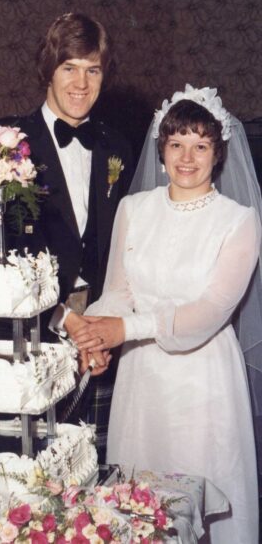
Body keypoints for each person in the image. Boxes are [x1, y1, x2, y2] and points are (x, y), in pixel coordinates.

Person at [70, 85, 262, 543]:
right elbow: (118, 290)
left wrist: (124, 329)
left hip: (204, 384)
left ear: (219, 153)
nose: (188, 157)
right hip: (142, 383)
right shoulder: (133, 209)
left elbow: (208, 313)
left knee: (201, 498)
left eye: (201, 145)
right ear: (161, 149)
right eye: (177, 143)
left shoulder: (239, 221)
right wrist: (95, 335)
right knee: (138, 506)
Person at [0, 13, 136, 462]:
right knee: (27, 486)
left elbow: (121, 250)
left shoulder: (116, 146)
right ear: (48, 70)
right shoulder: (3, 145)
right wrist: (66, 322)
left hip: (97, 346)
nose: (81, 83)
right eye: (69, 67)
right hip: (29, 342)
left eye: (93, 69)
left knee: (90, 486)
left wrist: (100, 330)